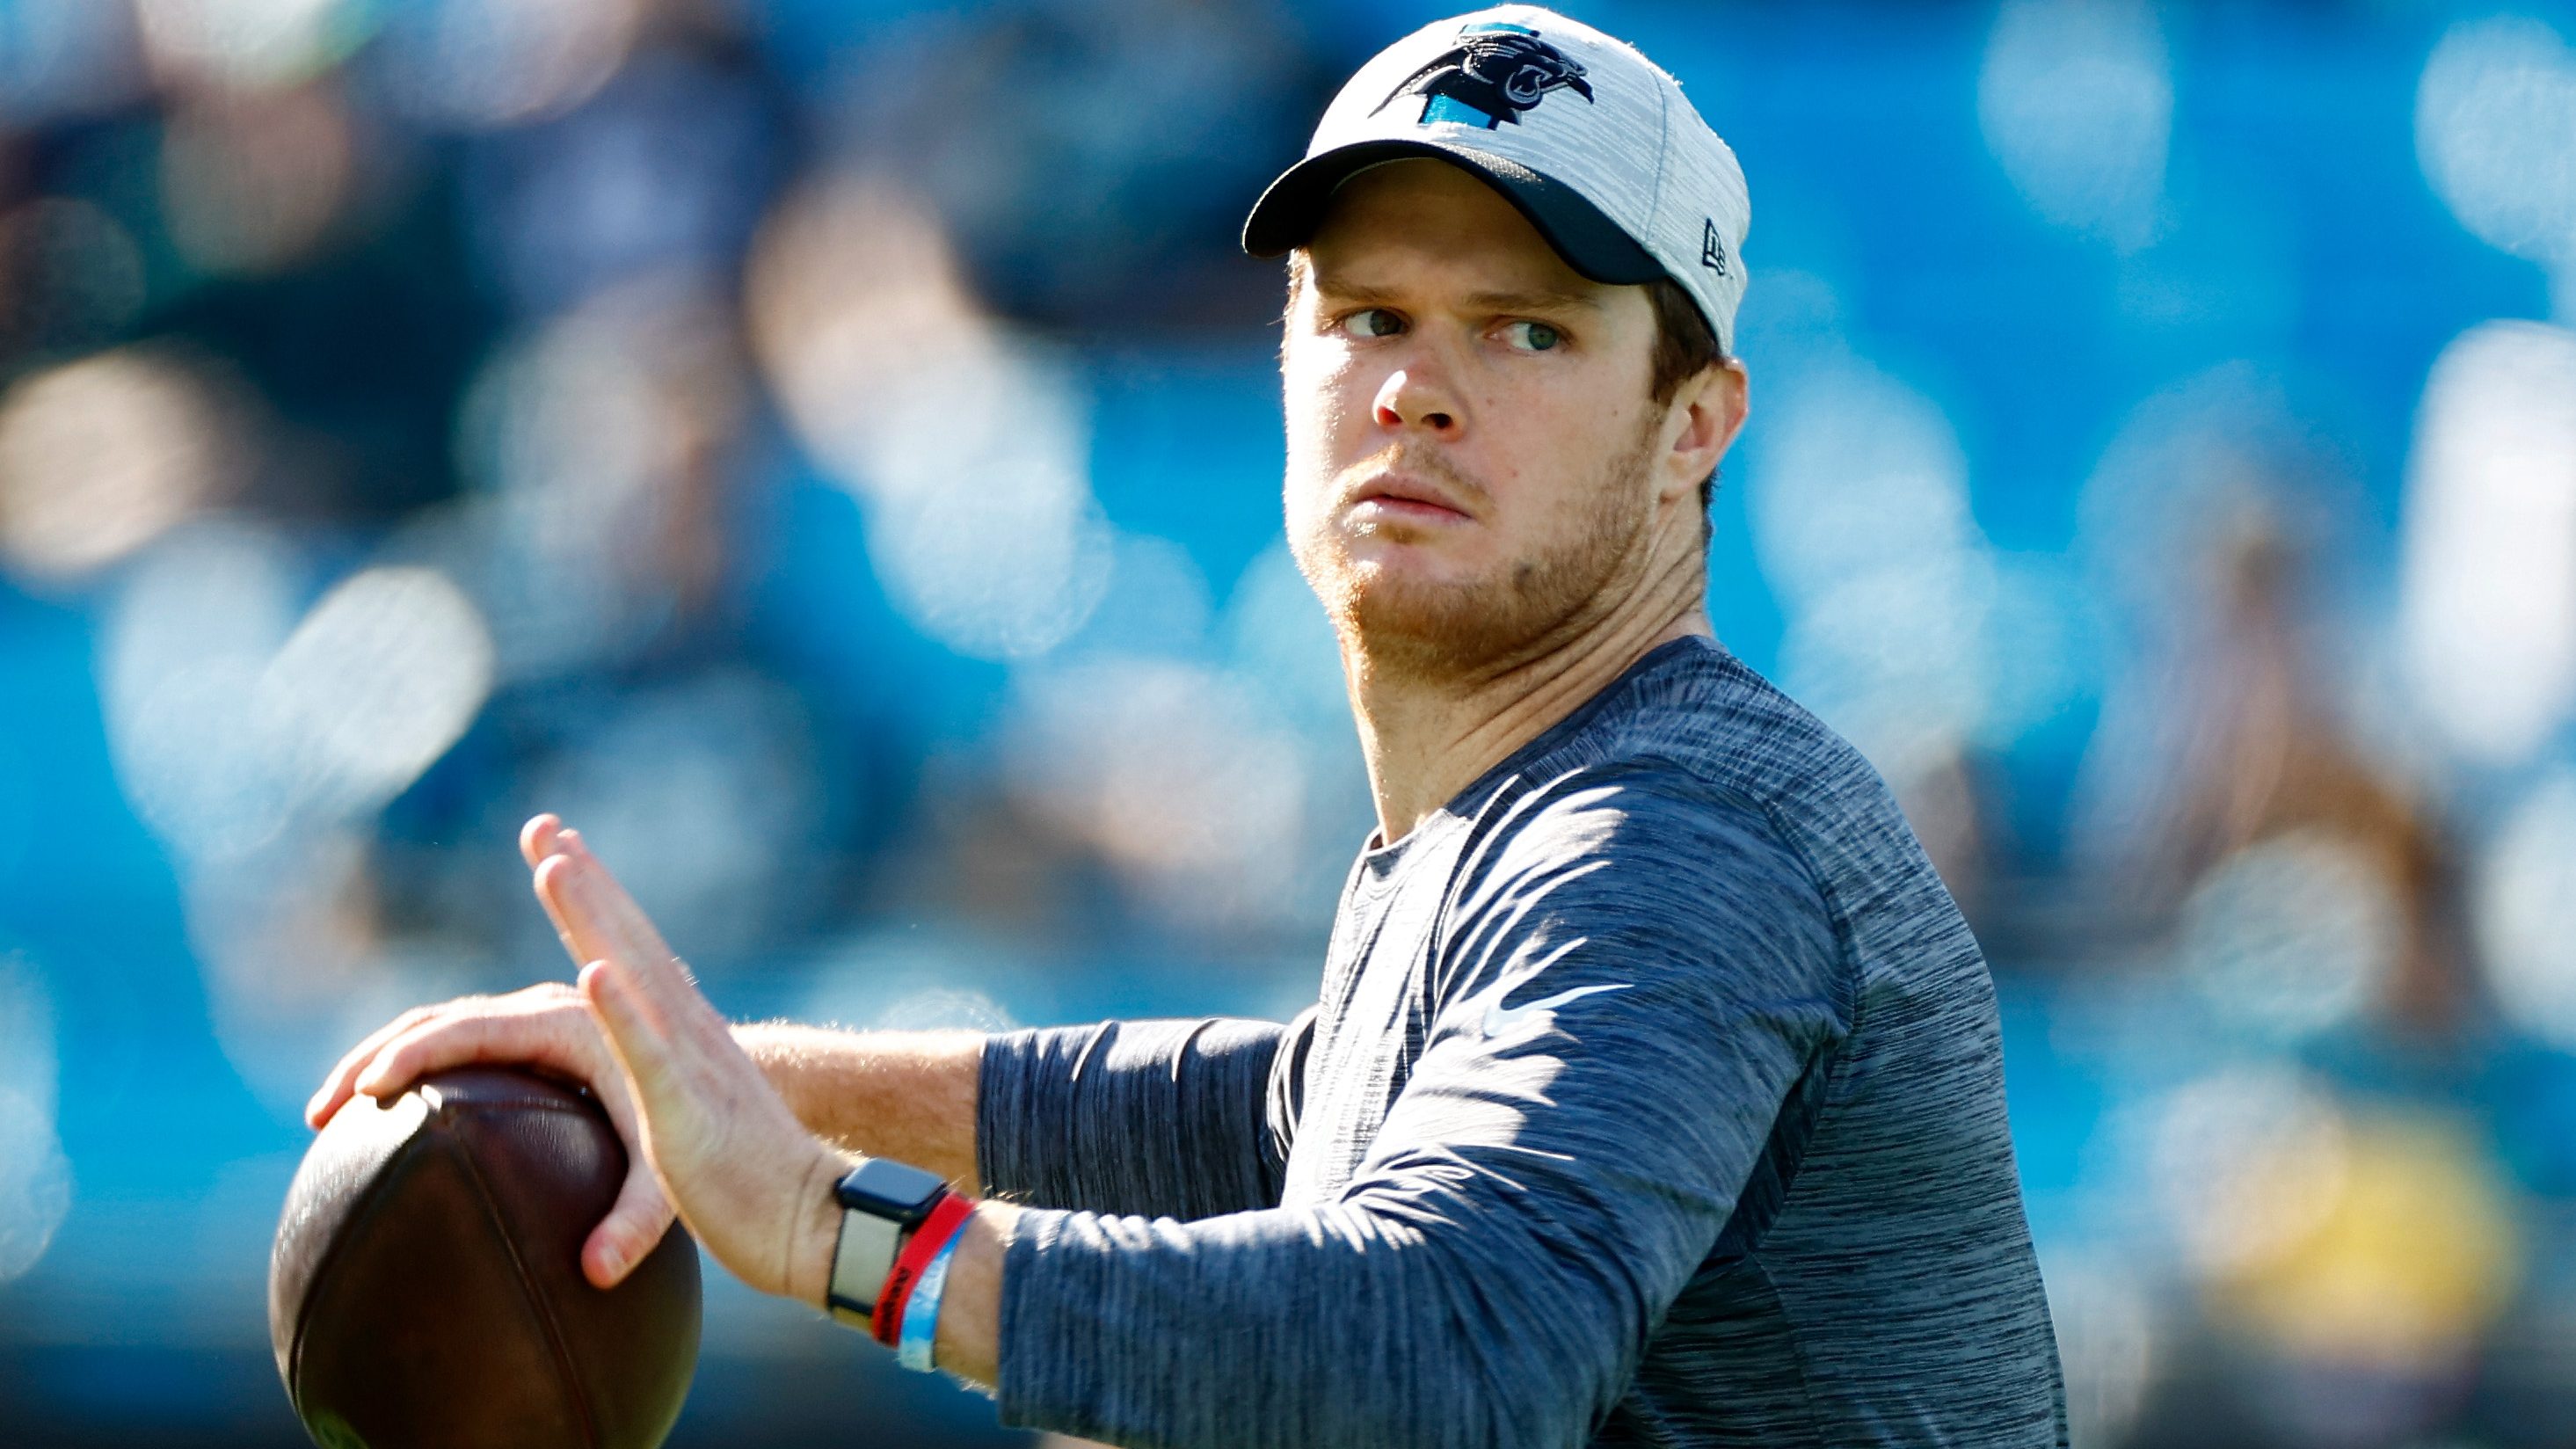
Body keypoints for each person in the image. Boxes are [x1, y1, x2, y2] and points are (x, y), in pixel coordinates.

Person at [307, 8, 2069, 1445]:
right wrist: (705, 1072)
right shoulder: (1529, 808)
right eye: (1365, 314)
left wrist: (843, 1230)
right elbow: (1265, 1110)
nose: (1415, 383)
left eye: (1523, 330)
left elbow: (1451, 1340)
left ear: (1695, 424)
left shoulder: (1670, 831)